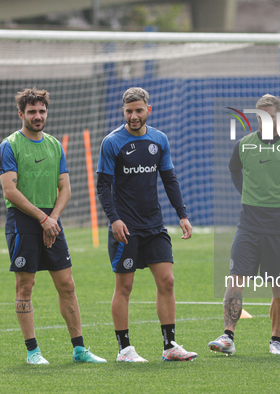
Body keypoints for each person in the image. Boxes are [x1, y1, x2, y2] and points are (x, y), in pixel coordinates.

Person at [0, 88, 106, 365]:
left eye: (42, 111)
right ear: (21, 114)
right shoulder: (9, 145)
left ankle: (80, 349)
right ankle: (33, 351)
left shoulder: (55, 145)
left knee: (67, 284)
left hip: (51, 219)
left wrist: (53, 219)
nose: (38, 116)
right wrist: (42, 219)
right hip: (23, 220)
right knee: (25, 286)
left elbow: (66, 188)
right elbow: (10, 191)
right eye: (32, 112)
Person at [208, 94, 280, 356]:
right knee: (235, 279)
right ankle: (227, 337)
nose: (264, 121)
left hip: (279, 229)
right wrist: (244, 192)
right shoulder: (243, 145)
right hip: (247, 226)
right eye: (260, 116)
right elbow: (233, 170)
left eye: (270, 116)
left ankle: (276, 340)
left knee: (279, 286)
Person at [96, 87, 197, 362]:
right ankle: (125, 349)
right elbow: (103, 187)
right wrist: (114, 219)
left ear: (148, 110)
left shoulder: (159, 140)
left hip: (155, 225)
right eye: (129, 111)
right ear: (123, 111)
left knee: (167, 281)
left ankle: (170, 346)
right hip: (125, 228)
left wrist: (182, 214)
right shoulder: (112, 142)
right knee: (124, 287)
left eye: (139, 110)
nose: (133, 116)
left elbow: (169, 179)